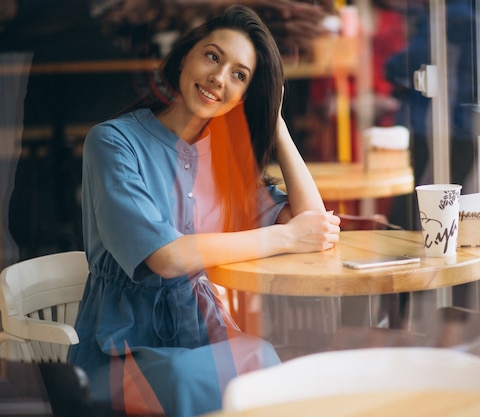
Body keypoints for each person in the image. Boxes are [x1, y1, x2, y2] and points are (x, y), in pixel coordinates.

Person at [67, 5, 340, 417]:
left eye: (239, 75)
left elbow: (311, 224)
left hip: (201, 333)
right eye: (212, 56)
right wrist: (284, 237)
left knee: (263, 363)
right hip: (120, 350)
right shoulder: (111, 143)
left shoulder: (225, 160)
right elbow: (167, 257)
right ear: (185, 56)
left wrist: (277, 123)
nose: (219, 78)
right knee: (193, 379)